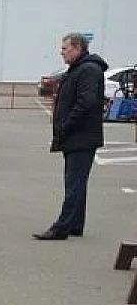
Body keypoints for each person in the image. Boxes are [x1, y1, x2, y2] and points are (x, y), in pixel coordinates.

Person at [34, 33, 108, 240]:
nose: (61, 52)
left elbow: (86, 102)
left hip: (80, 136)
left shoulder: (89, 70)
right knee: (76, 182)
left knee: (74, 183)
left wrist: (66, 125)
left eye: (65, 48)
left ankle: (62, 227)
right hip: (76, 136)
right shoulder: (80, 69)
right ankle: (75, 224)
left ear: (77, 48)